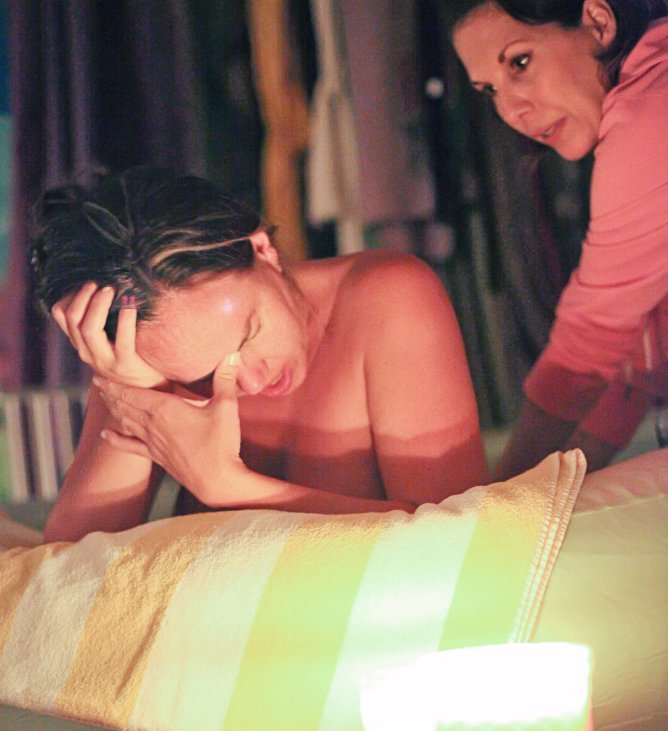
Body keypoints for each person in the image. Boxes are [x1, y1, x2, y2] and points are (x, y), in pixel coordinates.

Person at [31, 166, 487, 542]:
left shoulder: (386, 299)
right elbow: (71, 565)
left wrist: (226, 485)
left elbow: (458, 539)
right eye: (204, 376)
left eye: (250, 334)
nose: (250, 381)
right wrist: (132, 390)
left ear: (263, 249)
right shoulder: (148, 348)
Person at [448, 0, 668, 478]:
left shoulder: (649, 117)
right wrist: (553, 478)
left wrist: (500, 497)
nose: (511, 111)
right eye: (490, 90)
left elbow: (591, 341)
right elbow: (642, 340)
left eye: (520, 62)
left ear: (598, 21)